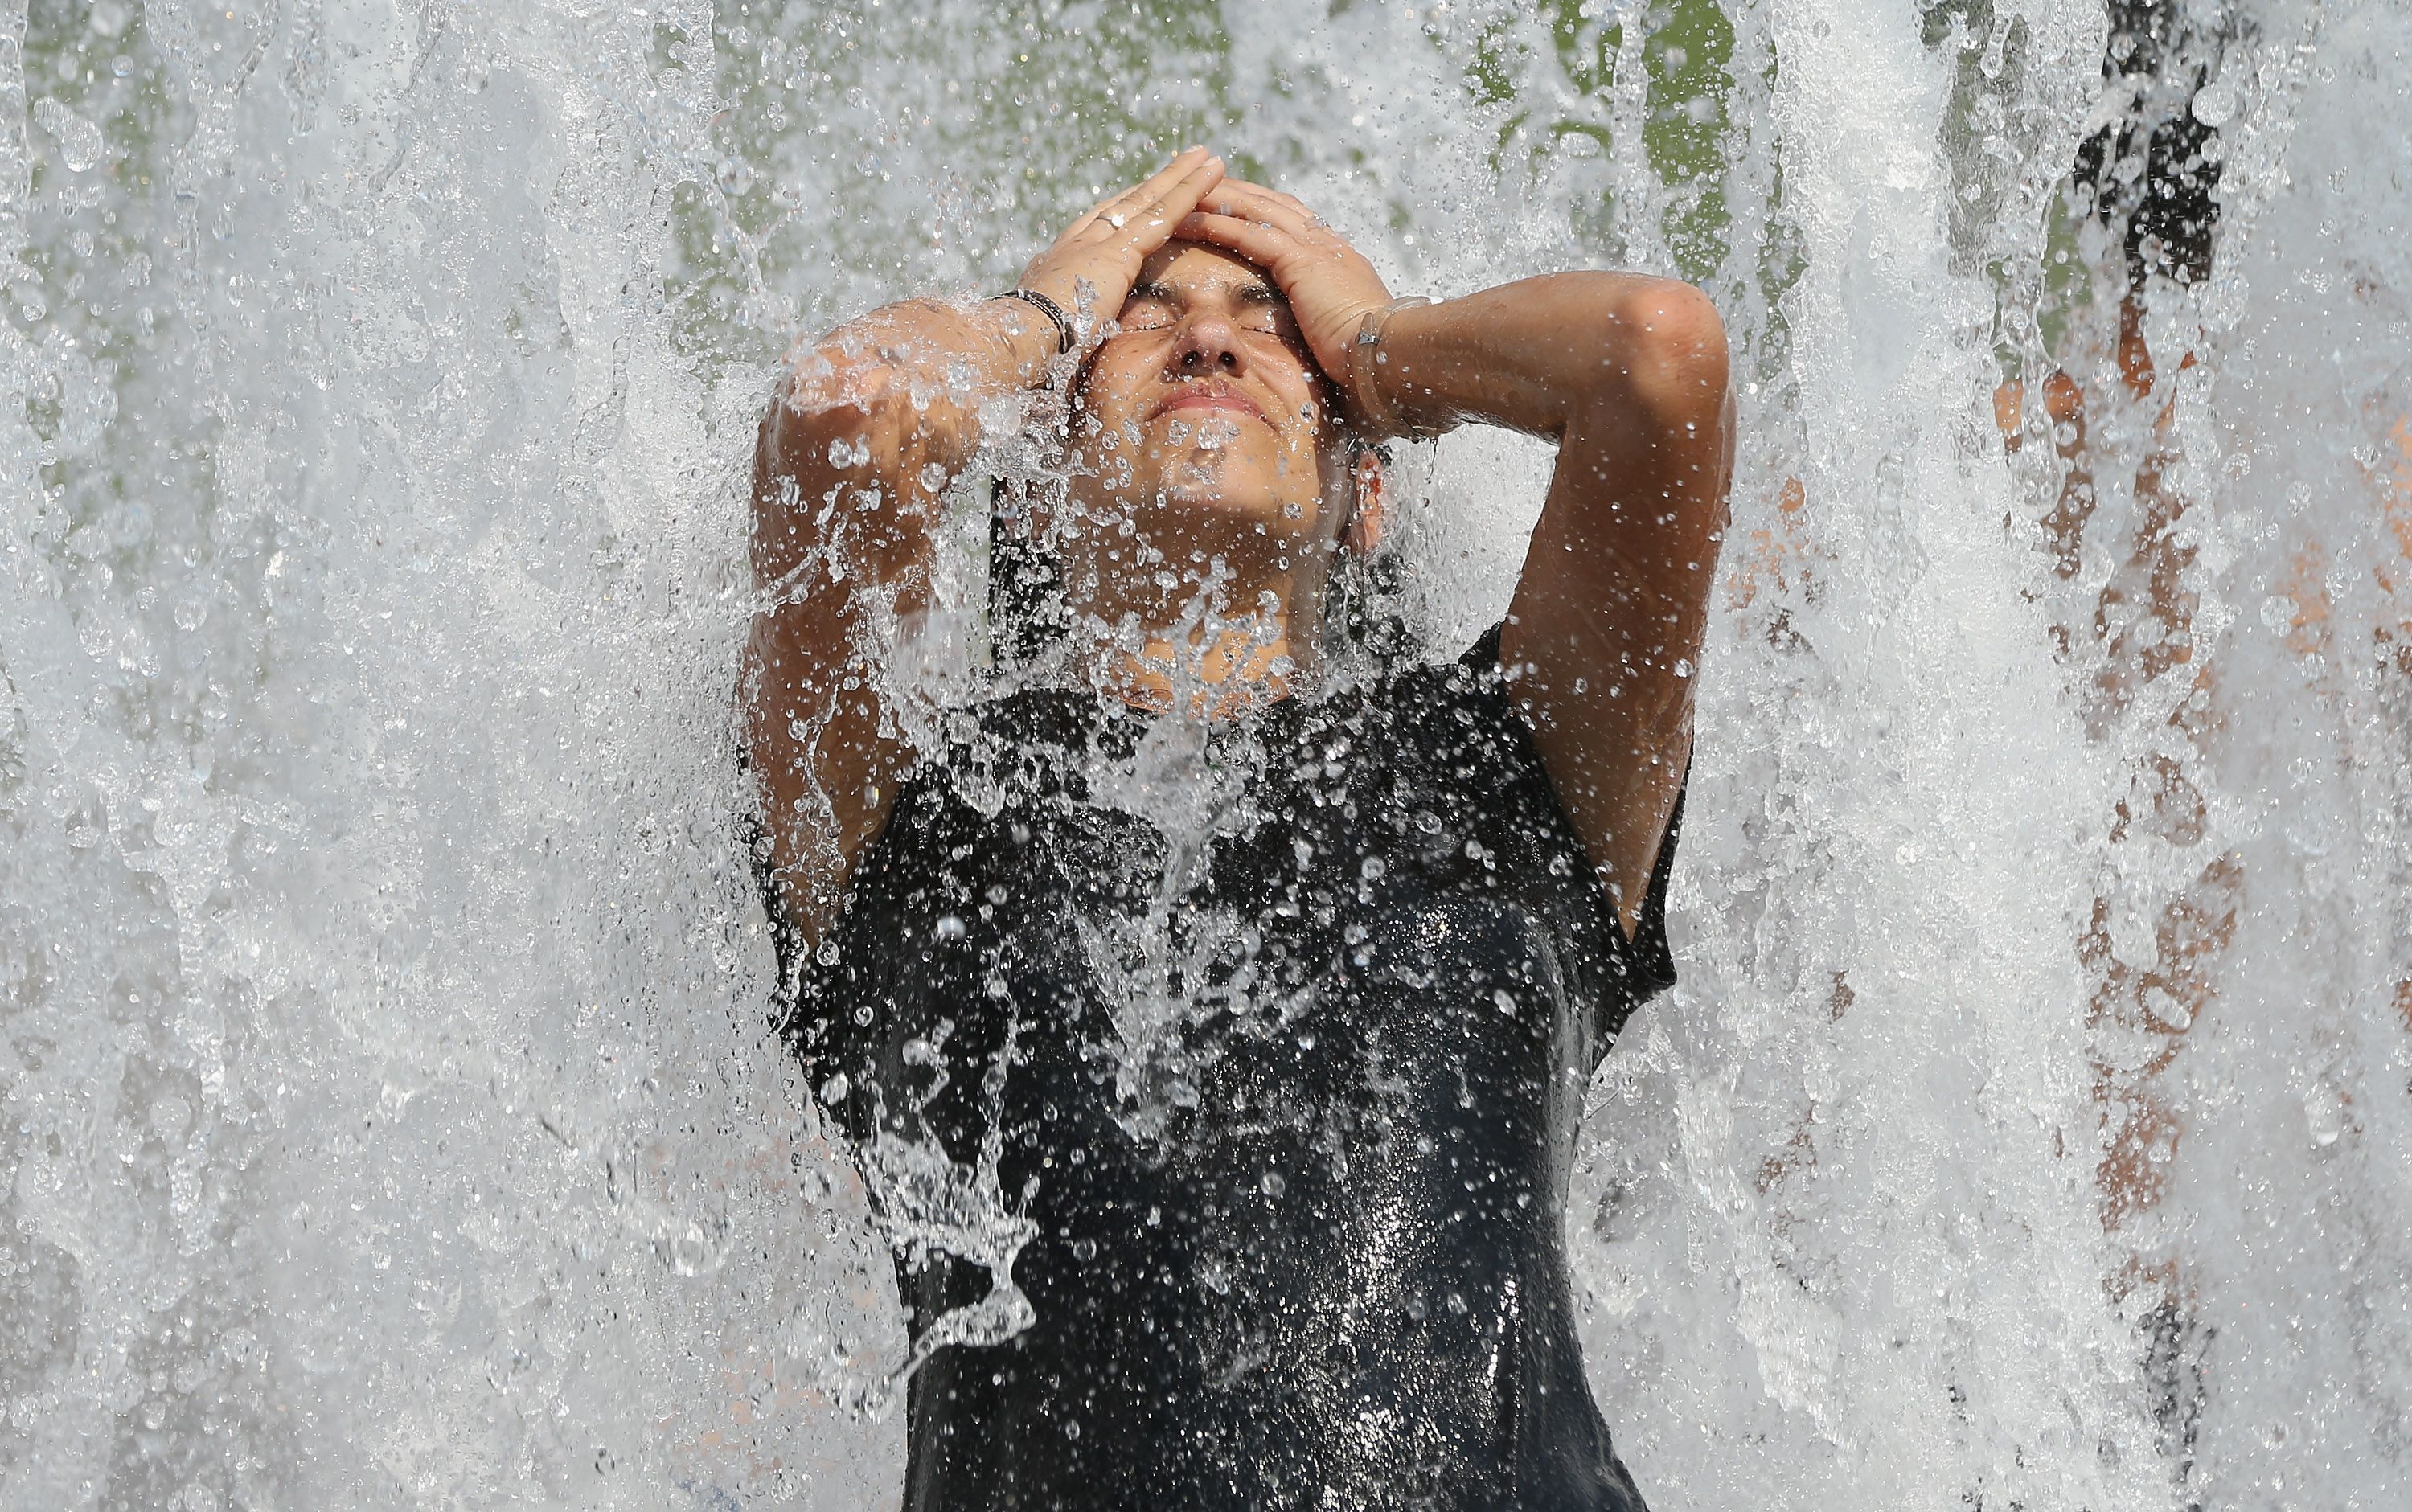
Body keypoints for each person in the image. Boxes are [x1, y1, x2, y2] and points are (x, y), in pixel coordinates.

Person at [744, 147, 1731, 1510]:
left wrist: (1381, 351)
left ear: (1366, 492)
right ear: (1030, 482)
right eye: (1141, 317)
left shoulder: (1513, 772)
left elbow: (1654, 358)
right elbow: (846, 415)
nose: (1209, 338)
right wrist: (1039, 321)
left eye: (1274, 327)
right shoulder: (921, 810)